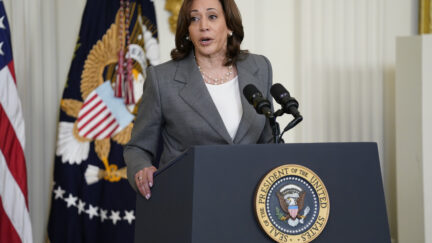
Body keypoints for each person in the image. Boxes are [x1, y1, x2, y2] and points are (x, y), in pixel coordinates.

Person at [123, 0, 273, 199]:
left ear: (229, 25)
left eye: (212, 16)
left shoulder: (259, 67)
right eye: (194, 19)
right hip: (187, 199)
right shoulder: (162, 79)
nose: (203, 26)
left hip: (250, 199)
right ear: (187, 30)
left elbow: (269, 141)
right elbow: (138, 147)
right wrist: (141, 170)